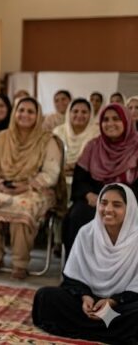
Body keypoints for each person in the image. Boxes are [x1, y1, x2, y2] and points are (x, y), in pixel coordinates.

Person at [0, 97, 66, 280]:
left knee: (23, 206)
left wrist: (27, 185)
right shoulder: (3, 137)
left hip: (36, 188)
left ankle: (20, 263)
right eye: (21, 110)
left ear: (38, 116)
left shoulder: (48, 140)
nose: (25, 115)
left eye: (31, 111)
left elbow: (51, 173)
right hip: (4, 185)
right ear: (15, 113)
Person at [33, 184, 138, 344]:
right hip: (88, 304)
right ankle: (109, 329)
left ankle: (92, 327)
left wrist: (113, 301)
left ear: (130, 209)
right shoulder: (87, 233)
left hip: (121, 305)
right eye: (103, 203)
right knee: (45, 297)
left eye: (116, 205)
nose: (108, 209)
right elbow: (73, 275)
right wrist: (85, 296)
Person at [62, 103, 138, 254]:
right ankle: (78, 272)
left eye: (116, 119)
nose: (110, 124)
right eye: (106, 119)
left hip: (130, 202)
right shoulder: (93, 146)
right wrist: (89, 195)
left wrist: (119, 202)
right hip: (95, 201)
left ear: (126, 121)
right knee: (77, 215)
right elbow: (80, 179)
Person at [52, 98, 99, 176]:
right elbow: (52, 159)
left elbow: (97, 162)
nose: (79, 115)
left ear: (90, 115)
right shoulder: (58, 132)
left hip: (87, 178)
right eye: (75, 111)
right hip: (59, 177)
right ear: (69, 113)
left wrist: (76, 168)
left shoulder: (97, 133)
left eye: (84, 112)